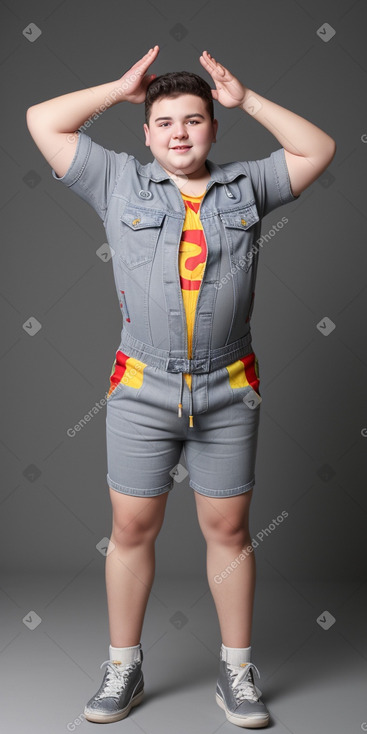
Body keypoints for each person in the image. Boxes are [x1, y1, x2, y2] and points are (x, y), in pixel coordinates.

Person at [26, 45, 336, 729]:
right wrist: (117, 88)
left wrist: (246, 96)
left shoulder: (247, 186)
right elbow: (42, 121)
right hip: (141, 387)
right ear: (145, 131)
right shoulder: (117, 182)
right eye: (164, 121)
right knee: (131, 527)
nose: (178, 133)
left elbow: (318, 148)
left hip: (229, 387)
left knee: (227, 528)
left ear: (212, 128)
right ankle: (122, 667)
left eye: (193, 120)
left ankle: (236, 671)